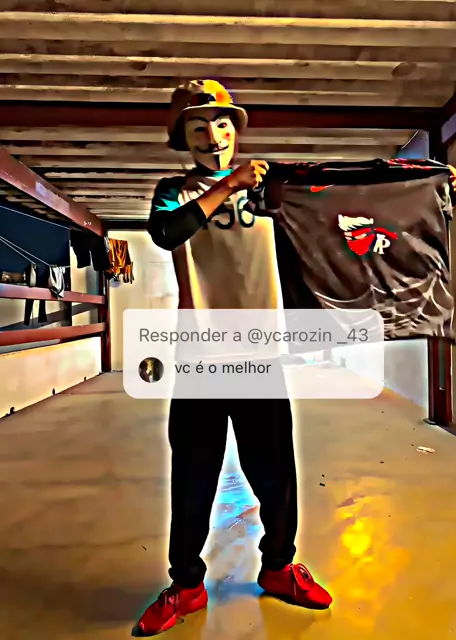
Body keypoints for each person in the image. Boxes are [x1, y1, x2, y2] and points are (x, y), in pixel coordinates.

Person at [135, 80, 332, 636]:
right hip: (200, 353)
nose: (213, 134)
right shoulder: (173, 191)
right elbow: (167, 232)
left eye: (222, 123)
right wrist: (227, 186)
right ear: (184, 138)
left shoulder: (271, 188)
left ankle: (279, 567)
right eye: (198, 126)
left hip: (261, 351)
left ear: (235, 131)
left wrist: (425, 183)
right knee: (193, 473)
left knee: (275, 472)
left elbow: (345, 196)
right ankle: (186, 584)